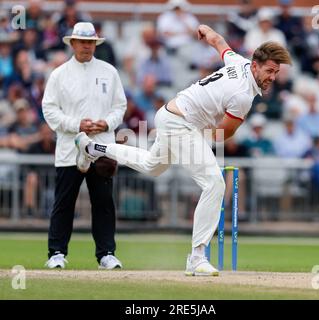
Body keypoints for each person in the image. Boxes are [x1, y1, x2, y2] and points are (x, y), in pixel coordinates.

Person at [75, 24, 292, 276]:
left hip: (170, 114)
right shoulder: (243, 95)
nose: (272, 78)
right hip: (181, 122)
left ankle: (92, 146)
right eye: (269, 70)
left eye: (276, 72)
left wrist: (205, 30)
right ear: (255, 65)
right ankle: (197, 256)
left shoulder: (239, 62)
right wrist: (201, 137)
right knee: (214, 183)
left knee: (151, 166)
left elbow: (219, 42)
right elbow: (226, 132)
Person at [42, 22, 127, 269]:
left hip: (101, 147)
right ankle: (56, 252)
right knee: (64, 202)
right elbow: (49, 110)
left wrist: (106, 123)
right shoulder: (59, 74)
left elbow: (119, 106)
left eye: (90, 42)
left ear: (95, 44)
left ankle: (106, 253)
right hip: (70, 148)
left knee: (103, 202)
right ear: (72, 43)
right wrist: (76, 124)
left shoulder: (109, 71)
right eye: (82, 42)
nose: (86, 46)